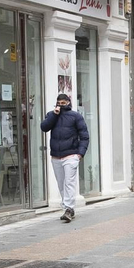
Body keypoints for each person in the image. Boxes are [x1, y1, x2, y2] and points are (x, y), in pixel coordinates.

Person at [40, 91, 89, 222]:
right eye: (59, 103)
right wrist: (54, 115)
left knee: (69, 182)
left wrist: (80, 153)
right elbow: (44, 127)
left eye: (63, 103)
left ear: (68, 103)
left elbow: (84, 135)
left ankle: (69, 208)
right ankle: (67, 208)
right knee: (61, 183)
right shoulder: (51, 115)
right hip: (56, 156)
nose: (61, 105)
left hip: (71, 155)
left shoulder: (76, 116)